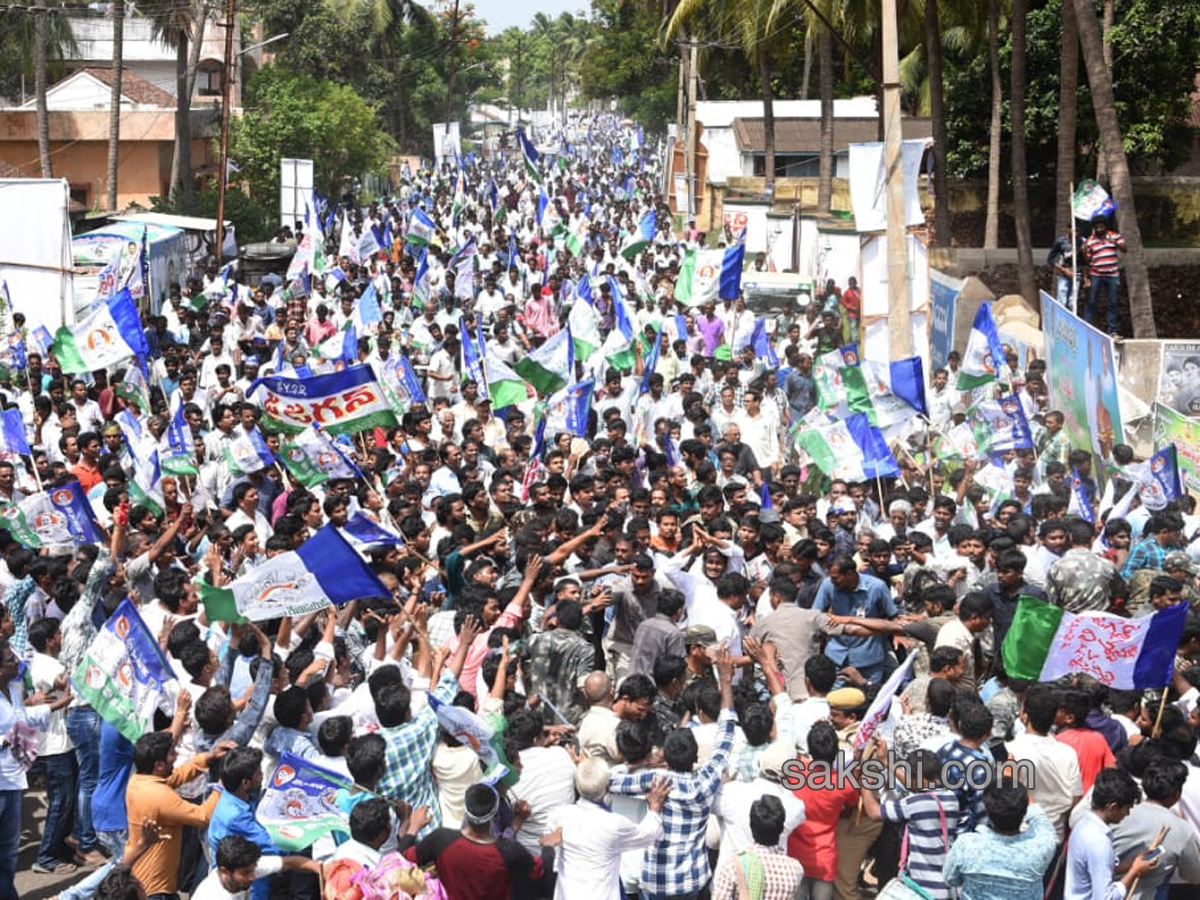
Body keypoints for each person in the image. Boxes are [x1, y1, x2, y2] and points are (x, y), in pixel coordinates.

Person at [543, 758, 669, 900]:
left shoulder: (559, 816)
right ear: (607, 787)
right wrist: (654, 808)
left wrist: (637, 763)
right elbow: (649, 834)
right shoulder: (614, 824)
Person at [1065, 767, 1159, 900]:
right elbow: (1106, 897)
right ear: (1113, 807)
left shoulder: (1083, 825)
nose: (1127, 814)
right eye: (1126, 809)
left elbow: (1097, 868)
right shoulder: (1099, 842)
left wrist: (1131, 864)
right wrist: (1134, 871)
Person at [1082, 215, 1126, 336]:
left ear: (1105, 226)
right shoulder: (1090, 241)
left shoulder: (1114, 235)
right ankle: (1086, 326)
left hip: (1112, 274)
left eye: (1102, 227)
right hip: (1096, 274)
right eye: (1097, 227)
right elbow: (1087, 260)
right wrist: (1085, 253)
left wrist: (1115, 242)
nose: (1100, 229)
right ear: (1094, 228)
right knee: (1092, 300)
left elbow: (1124, 248)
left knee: (1112, 302)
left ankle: (1112, 330)